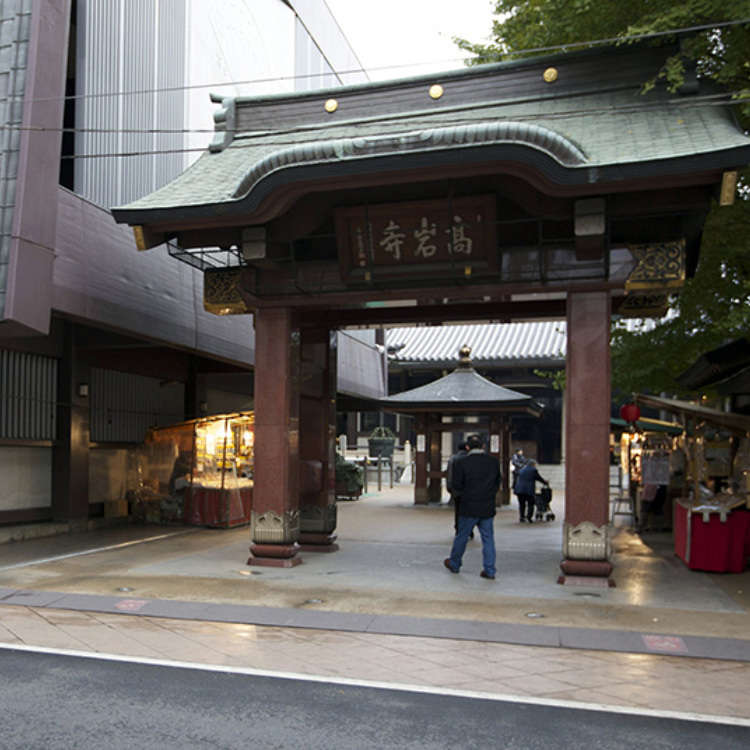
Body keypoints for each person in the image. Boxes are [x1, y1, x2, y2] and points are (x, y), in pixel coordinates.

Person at [443, 434, 500, 579]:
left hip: (468, 506)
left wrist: (461, 498)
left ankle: (455, 563)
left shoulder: (461, 462)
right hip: (487, 505)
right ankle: (490, 569)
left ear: (467, 447)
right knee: (488, 539)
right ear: (483, 446)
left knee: (462, 536)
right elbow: (497, 484)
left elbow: (456, 485)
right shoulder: (493, 462)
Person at [446, 439, 471, 537]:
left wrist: (449, 486)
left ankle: (458, 527)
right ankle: (469, 529)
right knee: (469, 510)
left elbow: (449, 474)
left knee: (458, 510)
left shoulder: (453, 459)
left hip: (456, 489)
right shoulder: (470, 458)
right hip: (469, 489)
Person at [514, 458, 549, 523]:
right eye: (535, 464)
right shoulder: (533, 470)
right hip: (528, 490)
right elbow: (539, 478)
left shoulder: (522, 469)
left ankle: (521, 517)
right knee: (531, 503)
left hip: (519, 489)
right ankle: (529, 517)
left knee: (522, 504)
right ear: (533, 464)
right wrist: (545, 482)